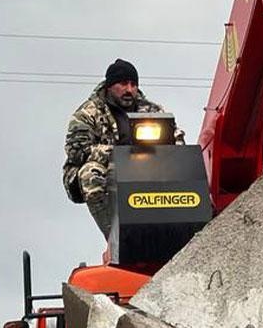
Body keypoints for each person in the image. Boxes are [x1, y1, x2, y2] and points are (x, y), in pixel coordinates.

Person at [62, 58, 183, 237]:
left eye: (133, 84)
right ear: (110, 86)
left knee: (186, 167)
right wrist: (121, 154)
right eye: (123, 83)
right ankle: (116, 239)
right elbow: (77, 151)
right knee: (90, 173)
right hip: (104, 171)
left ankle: (178, 234)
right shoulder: (88, 114)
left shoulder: (152, 110)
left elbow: (176, 138)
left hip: (146, 168)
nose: (129, 89)